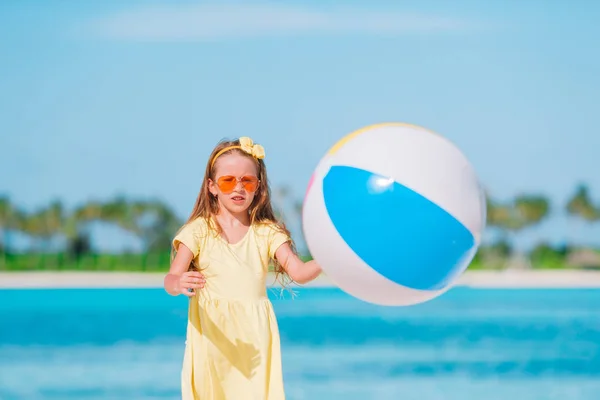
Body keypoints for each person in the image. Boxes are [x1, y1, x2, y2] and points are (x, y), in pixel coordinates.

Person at [163, 136, 322, 399]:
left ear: (258, 188)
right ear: (212, 187)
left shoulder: (267, 232)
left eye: (247, 181)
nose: (238, 188)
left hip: (255, 338)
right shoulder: (199, 230)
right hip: (212, 337)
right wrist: (178, 284)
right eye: (228, 181)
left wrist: (329, 259)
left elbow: (300, 272)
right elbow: (171, 279)